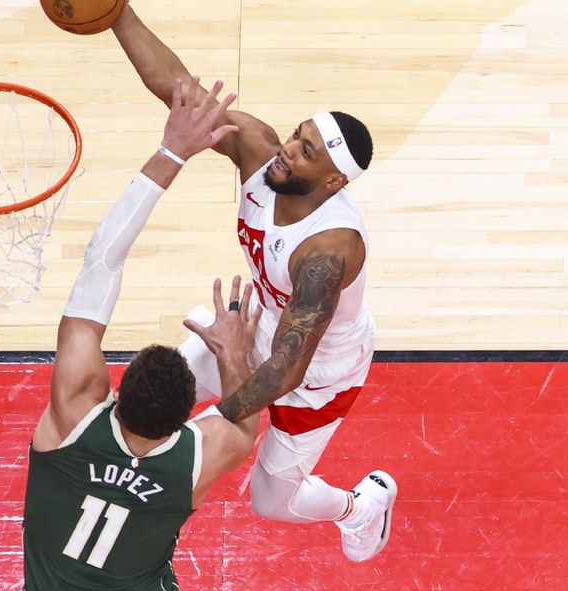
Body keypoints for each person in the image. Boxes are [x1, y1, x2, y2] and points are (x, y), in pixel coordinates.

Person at [112, 7, 397, 563]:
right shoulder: (259, 152)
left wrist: (208, 426)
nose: (288, 149)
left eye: (306, 151)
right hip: (256, 322)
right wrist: (117, 14)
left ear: (334, 181)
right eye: (296, 135)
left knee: (271, 501)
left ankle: (359, 507)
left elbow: (288, 368)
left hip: (319, 371)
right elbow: (180, 93)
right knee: (139, 406)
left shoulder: (328, 252)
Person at [22, 78, 263, 591]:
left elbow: (101, 260)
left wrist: (170, 151)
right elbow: (245, 419)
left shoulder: (74, 413)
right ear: (188, 418)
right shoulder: (195, 458)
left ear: (114, 388)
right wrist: (233, 353)